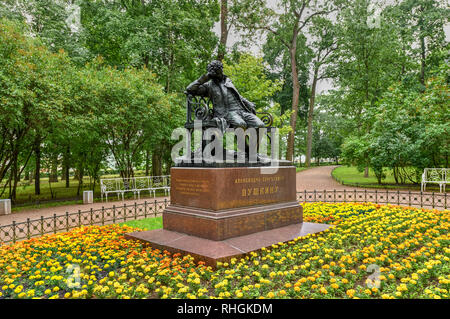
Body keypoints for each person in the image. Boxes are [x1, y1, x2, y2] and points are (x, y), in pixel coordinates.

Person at [186, 60, 265, 130]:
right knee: (241, 124)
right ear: (212, 73)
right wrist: (205, 78)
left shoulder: (228, 82)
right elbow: (189, 89)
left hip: (242, 111)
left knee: (261, 125)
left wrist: (247, 102)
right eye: (216, 72)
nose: (220, 73)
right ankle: (243, 146)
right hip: (227, 113)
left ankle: (251, 147)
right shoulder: (209, 86)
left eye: (220, 70)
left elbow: (237, 96)